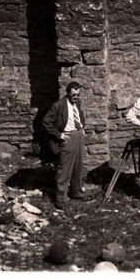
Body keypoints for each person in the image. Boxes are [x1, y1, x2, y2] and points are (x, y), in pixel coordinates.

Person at [42, 82, 94, 210]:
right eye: (73, 95)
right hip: (68, 137)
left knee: (78, 165)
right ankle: (61, 199)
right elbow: (46, 121)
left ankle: (77, 193)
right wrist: (59, 135)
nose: (75, 97)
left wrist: (82, 127)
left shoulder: (78, 102)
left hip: (78, 135)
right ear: (68, 93)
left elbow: (80, 115)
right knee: (64, 168)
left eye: (77, 95)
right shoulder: (59, 105)